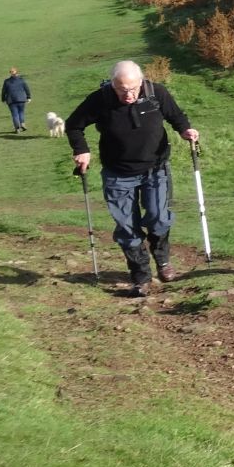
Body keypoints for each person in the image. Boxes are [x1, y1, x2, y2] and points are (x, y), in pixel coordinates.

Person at [65, 60, 200, 298]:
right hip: (117, 173)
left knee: (159, 218)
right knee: (127, 227)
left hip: (155, 169)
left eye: (133, 89)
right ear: (112, 85)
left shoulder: (156, 93)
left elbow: (176, 116)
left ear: (141, 82)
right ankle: (140, 276)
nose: (128, 95)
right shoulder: (100, 99)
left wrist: (185, 130)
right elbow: (74, 125)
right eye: (122, 90)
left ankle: (163, 261)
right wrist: (81, 150)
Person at [0, 67, 31, 133]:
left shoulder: (7, 81)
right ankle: (22, 124)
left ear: (10, 73)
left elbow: (3, 91)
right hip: (21, 99)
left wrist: (3, 99)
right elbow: (27, 89)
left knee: (15, 114)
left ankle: (17, 128)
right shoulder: (21, 80)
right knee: (21, 112)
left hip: (11, 100)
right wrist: (29, 97)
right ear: (17, 72)